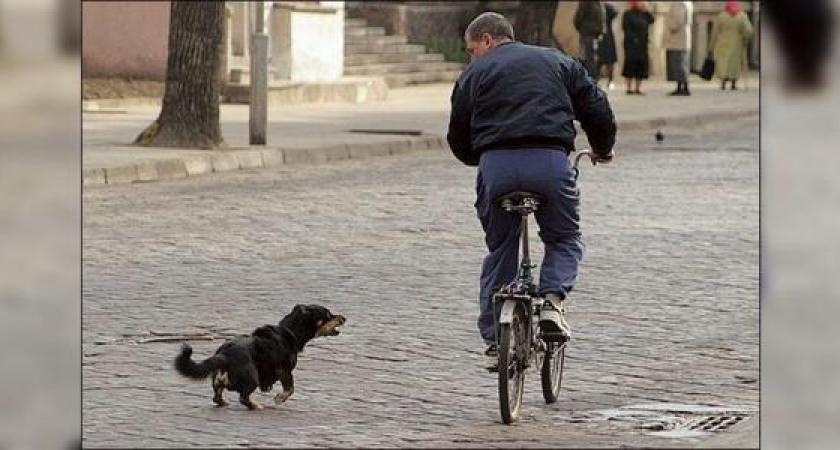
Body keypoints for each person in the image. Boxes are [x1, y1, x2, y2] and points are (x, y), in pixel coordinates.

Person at [447, 12, 616, 366]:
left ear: (488, 41)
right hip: (549, 163)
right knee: (564, 238)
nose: (471, 56)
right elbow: (596, 108)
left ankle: (497, 339)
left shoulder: (474, 74)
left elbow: (458, 131)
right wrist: (602, 147)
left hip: (497, 168)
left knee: (500, 248)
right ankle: (553, 303)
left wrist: (477, 158)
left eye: (471, 49)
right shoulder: (558, 61)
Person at [711, 1, 754, 91]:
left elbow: (715, 32)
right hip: (736, 44)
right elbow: (749, 31)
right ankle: (733, 84)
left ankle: (723, 83)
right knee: (734, 63)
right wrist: (745, 39)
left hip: (722, 43)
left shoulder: (721, 16)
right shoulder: (742, 16)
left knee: (723, 63)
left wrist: (711, 45)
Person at [621, 1, 655, 95]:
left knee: (641, 66)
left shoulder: (644, 14)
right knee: (630, 65)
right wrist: (633, 39)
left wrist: (647, 9)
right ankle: (628, 88)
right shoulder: (627, 14)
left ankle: (638, 88)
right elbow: (625, 28)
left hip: (642, 45)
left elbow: (652, 20)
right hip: (631, 45)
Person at [664, 1, 693, 96]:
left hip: (678, 37)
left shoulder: (679, 3)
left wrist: (672, 27)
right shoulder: (688, 3)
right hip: (683, 37)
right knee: (683, 63)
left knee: (679, 63)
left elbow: (678, 20)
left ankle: (683, 87)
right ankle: (681, 86)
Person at [574, 1, 605, 79]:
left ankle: (591, 78)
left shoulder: (597, 3)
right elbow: (578, 18)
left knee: (590, 57)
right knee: (587, 57)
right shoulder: (588, 3)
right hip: (588, 33)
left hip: (592, 34)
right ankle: (589, 78)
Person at [597, 2, 619, 91]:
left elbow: (615, 13)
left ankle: (610, 81)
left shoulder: (607, 8)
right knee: (597, 60)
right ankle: (596, 80)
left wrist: (607, 5)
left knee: (610, 60)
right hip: (597, 34)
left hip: (608, 36)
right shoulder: (594, 6)